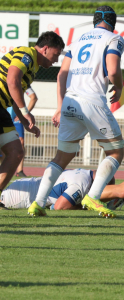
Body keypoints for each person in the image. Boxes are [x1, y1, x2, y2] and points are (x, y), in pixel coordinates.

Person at [28, 6, 124, 218]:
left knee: (62, 156)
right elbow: (114, 70)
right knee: (116, 151)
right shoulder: (114, 38)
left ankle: (38, 203)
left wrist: (60, 106)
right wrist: (118, 86)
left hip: (70, 102)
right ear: (113, 23)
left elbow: (61, 75)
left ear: (94, 21)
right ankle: (94, 196)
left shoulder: (76, 41)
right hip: (92, 102)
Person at [0, 31, 64, 210]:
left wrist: (25, 120)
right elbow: (12, 80)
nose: (56, 60)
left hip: (2, 107)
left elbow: (14, 95)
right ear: (45, 49)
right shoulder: (26, 53)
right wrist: (25, 111)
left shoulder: (33, 67)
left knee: (16, 152)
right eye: (56, 54)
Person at [1, 169, 95, 210]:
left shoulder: (82, 171)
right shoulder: (82, 184)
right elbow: (59, 207)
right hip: (20, 197)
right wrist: (83, 207)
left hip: (22, 184)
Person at [6, 87, 38, 177]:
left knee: (21, 143)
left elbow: (33, 97)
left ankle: (19, 171)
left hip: (16, 118)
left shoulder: (21, 82)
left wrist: (24, 114)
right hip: (4, 115)